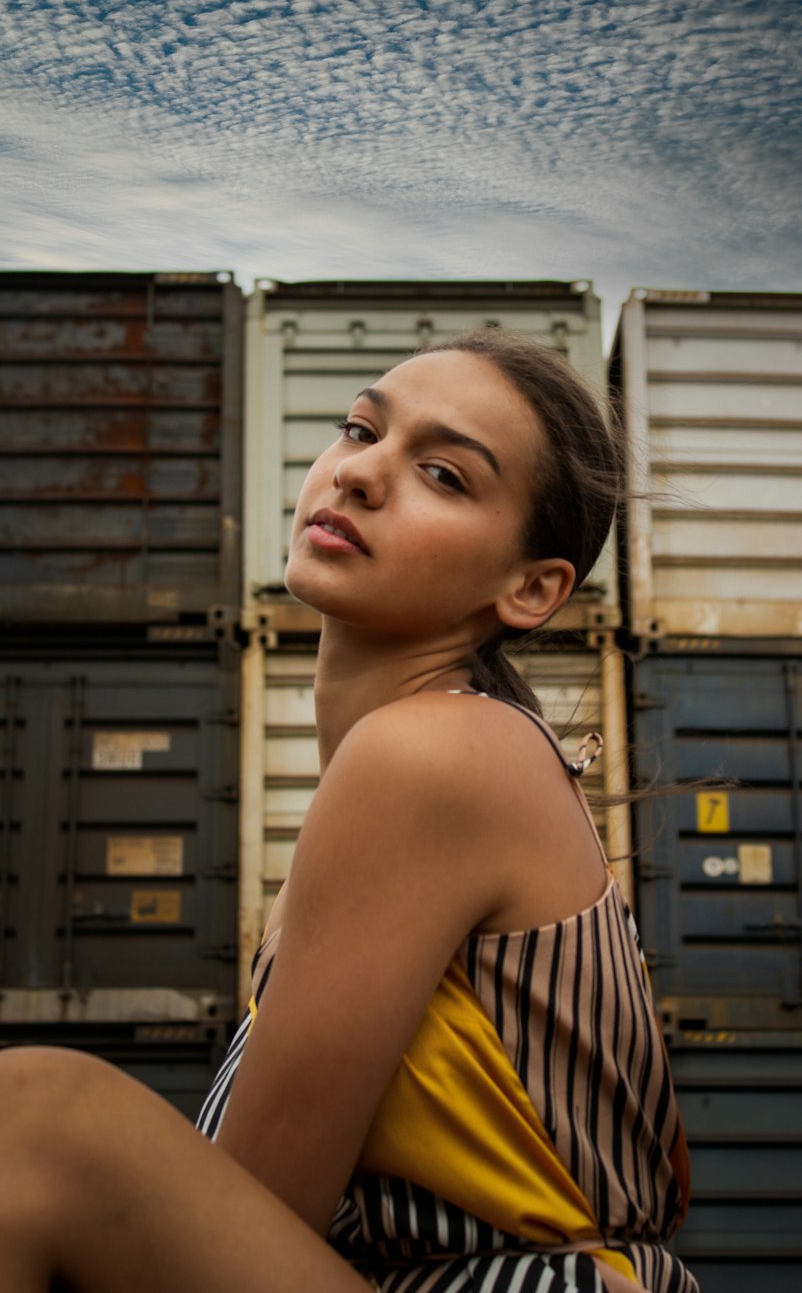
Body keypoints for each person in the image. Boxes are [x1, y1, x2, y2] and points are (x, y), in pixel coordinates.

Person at [0, 328, 695, 1293]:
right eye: (360, 428)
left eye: (445, 475)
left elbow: (242, 1215)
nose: (361, 473)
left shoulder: (433, 755)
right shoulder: (428, 768)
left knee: (36, 1124)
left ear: (532, 589)